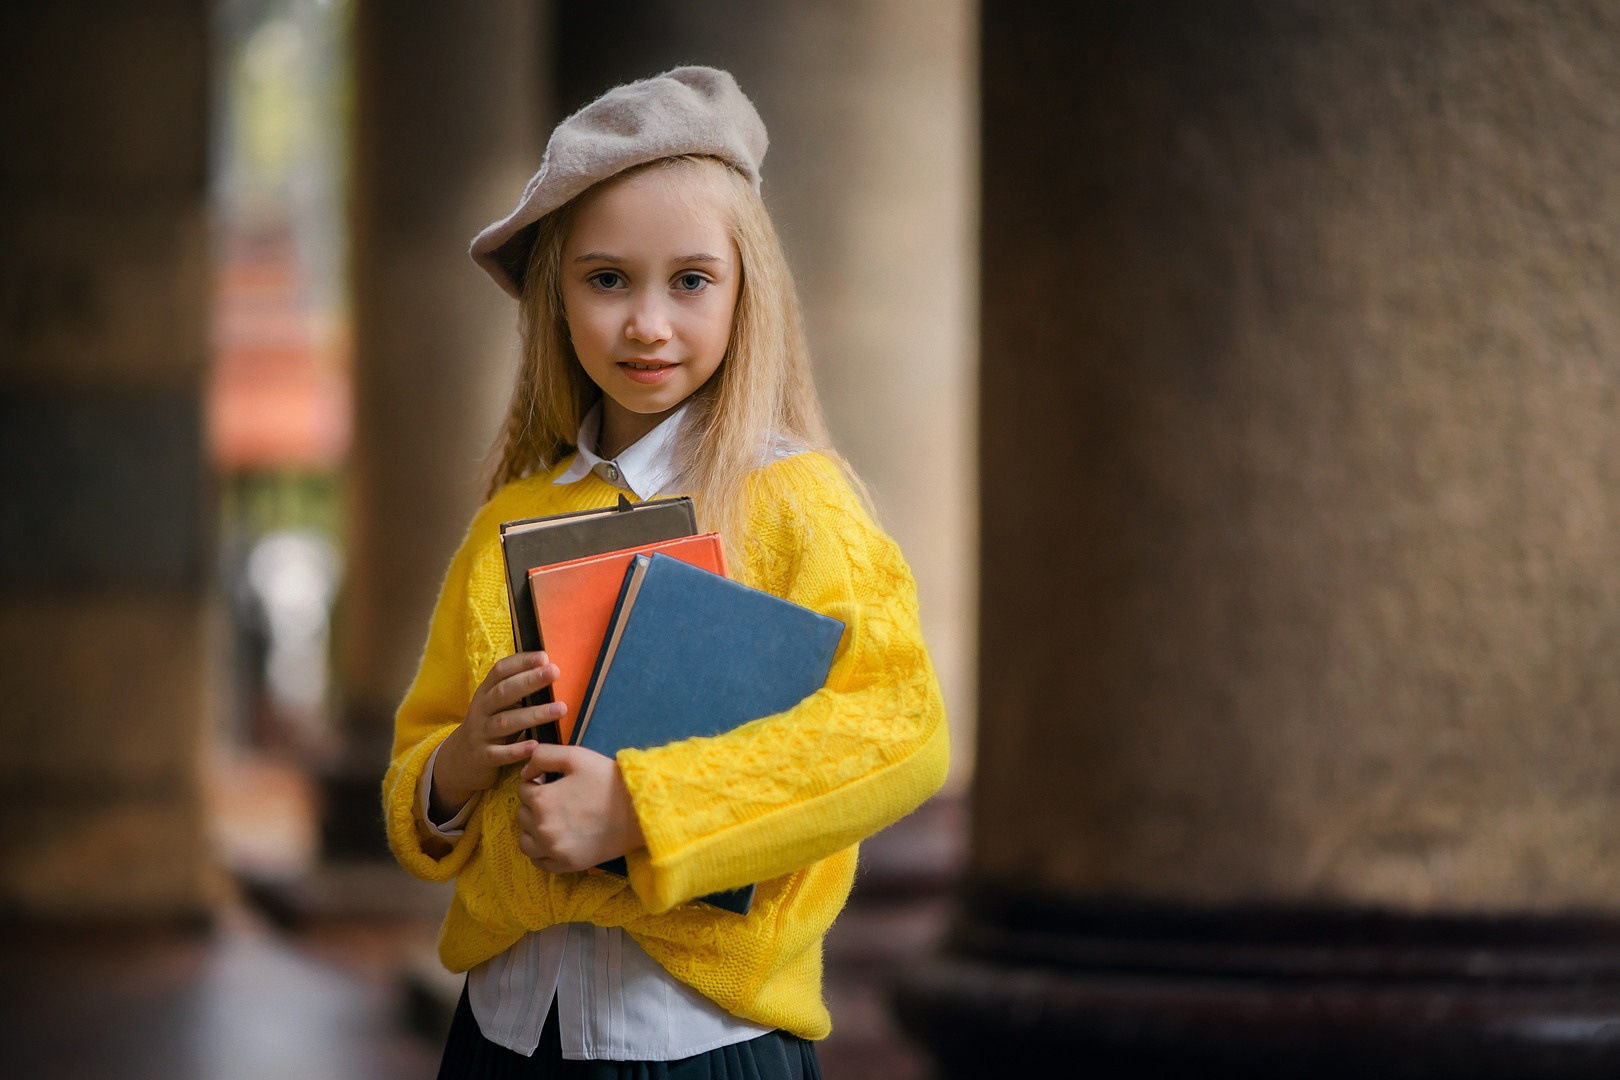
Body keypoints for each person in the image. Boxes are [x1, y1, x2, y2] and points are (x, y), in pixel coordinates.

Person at [383, 67, 948, 1079]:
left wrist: (642, 809)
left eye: (690, 281)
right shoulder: (508, 521)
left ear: (746, 291)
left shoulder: (795, 500)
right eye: (608, 280)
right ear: (555, 294)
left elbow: (896, 729)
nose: (648, 323)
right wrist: (453, 769)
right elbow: (419, 752)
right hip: (505, 1032)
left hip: (704, 1039)